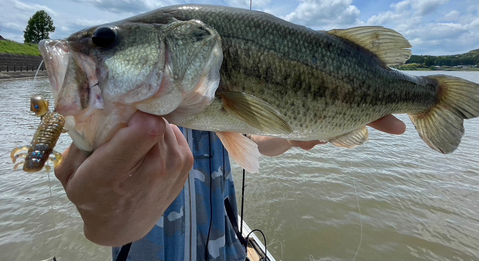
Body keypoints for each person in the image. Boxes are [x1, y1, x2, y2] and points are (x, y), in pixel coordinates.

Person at [55, 112, 405, 261]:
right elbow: (95, 203)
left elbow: (256, 143)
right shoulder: (115, 118)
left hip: (224, 252)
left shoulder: (216, 105)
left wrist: (298, 138)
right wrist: (98, 215)